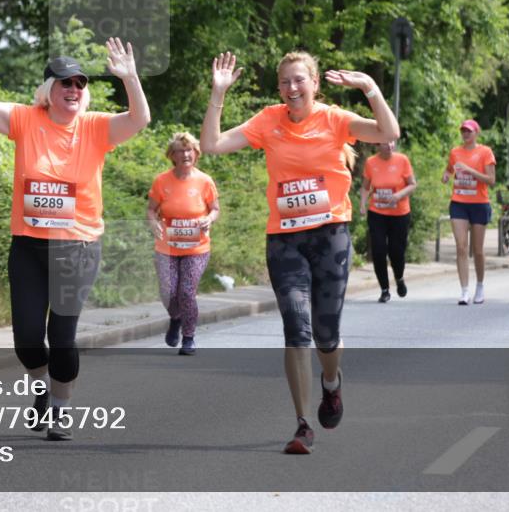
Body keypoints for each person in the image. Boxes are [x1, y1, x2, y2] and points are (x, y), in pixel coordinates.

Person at [0, 24, 150, 440]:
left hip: (75, 249)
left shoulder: (96, 127)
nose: (74, 88)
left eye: (79, 83)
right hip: (27, 247)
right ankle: (41, 392)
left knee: (61, 339)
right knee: (26, 341)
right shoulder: (25, 120)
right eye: (65, 83)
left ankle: (59, 411)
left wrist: (129, 77)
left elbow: (140, 119)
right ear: (49, 89)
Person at [201, 50, 398, 455]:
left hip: (330, 237)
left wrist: (370, 88)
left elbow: (387, 132)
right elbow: (212, 145)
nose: (292, 89)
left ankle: (331, 383)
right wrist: (217, 94)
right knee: (296, 327)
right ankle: (303, 424)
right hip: (285, 239)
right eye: (285, 82)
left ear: (314, 84)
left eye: (299, 80)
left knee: (326, 336)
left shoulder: (335, 119)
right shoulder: (268, 121)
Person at [147, 132, 220, 355]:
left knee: (187, 291)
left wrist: (208, 219)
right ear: (173, 155)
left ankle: (188, 337)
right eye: (181, 151)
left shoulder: (205, 181)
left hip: (196, 247)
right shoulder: (162, 181)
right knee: (168, 292)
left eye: (189, 150)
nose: (186, 154)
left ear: (196, 153)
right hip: (167, 247)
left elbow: (215, 209)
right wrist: (153, 223)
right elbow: (151, 209)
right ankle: (176, 318)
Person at [442, 119, 496, 305]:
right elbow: (449, 170)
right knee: (461, 246)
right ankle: (464, 291)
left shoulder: (485, 152)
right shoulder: (455, 152)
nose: (465, 134)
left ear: (476, 133)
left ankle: (480, 286)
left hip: (479, 204)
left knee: (478, 250)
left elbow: (491, 180)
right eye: (463, 131)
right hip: (459, 203)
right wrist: (446, 175)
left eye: (469, 131)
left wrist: (469, 170)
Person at [360, 141, 417, 302]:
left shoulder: (402, 160)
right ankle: (384, 289)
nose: (390, 146)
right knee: (378, 251)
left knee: (396, 252)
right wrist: (363, 204)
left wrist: (398, 196)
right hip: (377, 212)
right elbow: (365, 186)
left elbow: (413, 185)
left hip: (399, 213)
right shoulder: (371, 162)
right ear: (378, 145)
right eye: (385, 143)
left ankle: (399, 278)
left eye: (391, 142)